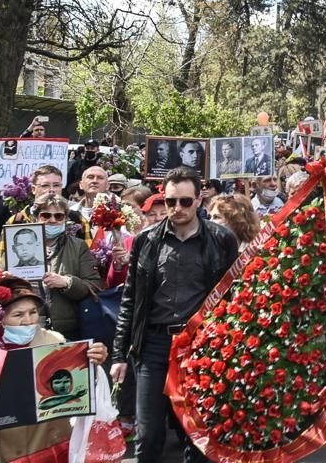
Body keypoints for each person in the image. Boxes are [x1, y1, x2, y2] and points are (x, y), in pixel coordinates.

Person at [111, 167, 239, 463]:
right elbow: (131, 299)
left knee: (198, 433)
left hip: (200, 346)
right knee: (148, 433)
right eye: (171, 202)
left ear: (198, 200)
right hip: (154, 346)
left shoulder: (221, 239)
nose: (177, 208)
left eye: (184, 201)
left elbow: (232, 297)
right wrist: (119, 354)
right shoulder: (147, 240)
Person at [0, 277, 109, 463]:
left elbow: (76, 388)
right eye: (18, 315)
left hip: (44, 444)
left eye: (33, 312)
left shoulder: (54, 342)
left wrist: (92, 363)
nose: (28, 321)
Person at [32, 194, 103, 336]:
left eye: (58, 216)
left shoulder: (78, 246)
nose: (52, 220)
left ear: (65, 219)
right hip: (28, 326)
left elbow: (95, 286)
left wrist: (67, 282)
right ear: (36, 218)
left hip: (66, 329)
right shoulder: (18, 243)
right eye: (45, 215)